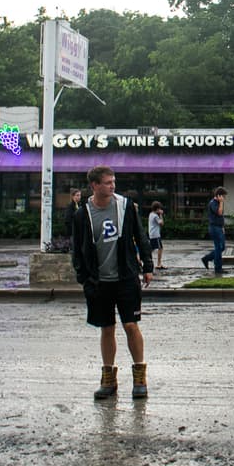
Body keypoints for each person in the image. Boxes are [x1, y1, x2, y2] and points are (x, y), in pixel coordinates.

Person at [70, 166, 154, 400]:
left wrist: (147, 266)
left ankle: (139, 377)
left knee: (131, 325)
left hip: (125, 277)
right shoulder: (82, 214)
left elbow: (140, 236)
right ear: (94, 185)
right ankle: (109, 379)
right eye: (107, 182)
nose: (112, 185)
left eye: (113, 181)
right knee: (106, 328)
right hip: (99, 282)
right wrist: (84, 278)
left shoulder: (125, 207)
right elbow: (77, 248)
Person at [200, 187, 228, 273]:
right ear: (219, 195)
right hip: (214, 227)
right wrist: (221, 202)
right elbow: (219, 213)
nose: (224, 198)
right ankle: (217, 268)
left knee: (220, 247)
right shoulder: (213, 203)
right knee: (219, 247)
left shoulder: (217, 203)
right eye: (223, 196)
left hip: (218, 227)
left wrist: (222, 227)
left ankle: (207, 259)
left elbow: (220, 217)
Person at [148, 201, 165, 270]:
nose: (160, 210)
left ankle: (158, 263)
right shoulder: (155, 216)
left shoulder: (151, 214)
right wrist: (161, 214)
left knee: (154, 248)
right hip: (155, 235)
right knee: (159, 248)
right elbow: (161, 223)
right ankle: (158, 263)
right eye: (159, 209)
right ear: (157, 209)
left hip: (153, 234)